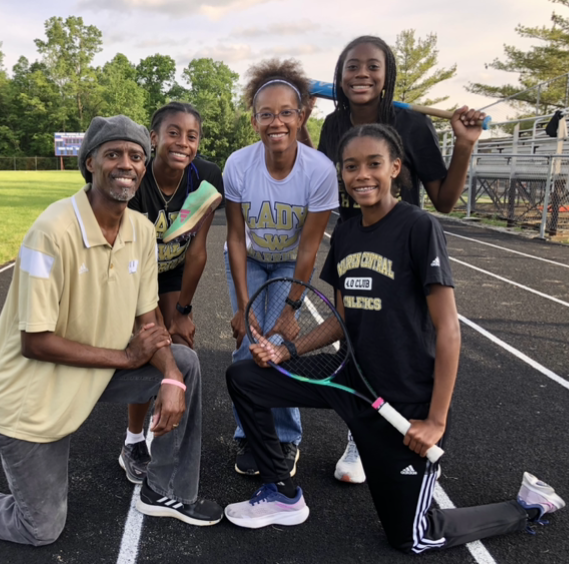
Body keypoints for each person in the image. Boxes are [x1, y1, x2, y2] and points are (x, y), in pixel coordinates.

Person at [0, 115, 224, 545]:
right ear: (90, 164)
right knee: (39, 528)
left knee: (185, 364)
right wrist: (127, 358)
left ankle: (166, 489)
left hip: (94, 368)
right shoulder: (51, 232)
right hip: (31, 392)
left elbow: (148, 320)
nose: (126, 165)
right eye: (112, 154)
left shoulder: (140, 231)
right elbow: (35, 342)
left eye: (135, 156)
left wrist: (168, 373)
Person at [224, 124, 565, 551]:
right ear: (341, 174)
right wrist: (286, 350)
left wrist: (435, 420)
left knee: (413, 537)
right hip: (349, 377)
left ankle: (528, 507)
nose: (361, 175)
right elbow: (341, 320)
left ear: (396, 169)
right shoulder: (346, 233)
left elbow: (449, 328)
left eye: (373, 164)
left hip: (400, 400)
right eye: (351, 166)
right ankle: (281, 492)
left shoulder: (418, 228)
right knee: (245, 376)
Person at [300, 35, 487, 483]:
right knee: (355, 338)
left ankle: (426, 423)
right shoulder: (333, 124)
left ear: (388, 76)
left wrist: (464, 145)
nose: (361, 74)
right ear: (339, 76)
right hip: (352, 240)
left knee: (408, 341)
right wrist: (303, 124)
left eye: (372, 66)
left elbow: (443, 199)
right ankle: (359, 438)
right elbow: (325, 178)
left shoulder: (413, 124)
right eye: (352, 66)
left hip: (403, 247)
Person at [224, 59, 339, 476]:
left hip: (290, 262)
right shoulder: (238, 165)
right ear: (254, 121)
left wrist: (292, 308)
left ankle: (287, 438)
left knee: (275, 343)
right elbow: (235, 238)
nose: (276, 122)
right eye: (266, 114)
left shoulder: (320, 171)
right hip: (250, 258)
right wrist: (242, 305)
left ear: (301, 115)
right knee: (245, 342)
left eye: (285, 112)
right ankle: (249, 434)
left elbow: (309, 248)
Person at [119, 102, 224, 485]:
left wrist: (182, 309)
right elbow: (124, 258)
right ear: (153, 138)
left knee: (181, 344)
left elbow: (197, 249)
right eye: (173, 133)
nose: (183, 142)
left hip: (174, 270)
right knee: (151, 345)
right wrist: (152, 319)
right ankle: (133, 440)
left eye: (191, 136)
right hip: (134, 272)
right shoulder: (134, 178)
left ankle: (167, 438)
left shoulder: (206, 177)